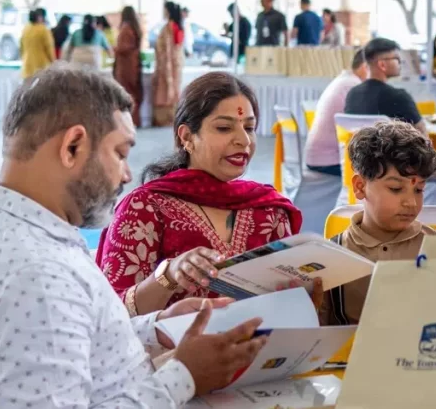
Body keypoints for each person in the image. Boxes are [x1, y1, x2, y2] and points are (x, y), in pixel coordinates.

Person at [0, 66, 269, 407]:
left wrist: (157, 326)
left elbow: (75, 337)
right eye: (120, 154)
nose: (127, 174)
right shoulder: (34, 274)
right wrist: (184, 376)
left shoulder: (6, 227)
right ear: (73, 146)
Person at [97, 72, 302, 315]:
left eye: (249, 127)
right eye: (224, 128)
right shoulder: (145, 208)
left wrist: (305, 299)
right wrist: (168, 276)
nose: (244, 140)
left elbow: (288, 304)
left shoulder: (269, 210)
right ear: (187, 137)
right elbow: (111, 314)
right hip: (172, 341)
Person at [321, 121, 436, 325]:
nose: (411, 202)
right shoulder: (331, 257)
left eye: (419, 190)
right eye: (396, 189)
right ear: (360, 187)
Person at [345, 38, 436, 202]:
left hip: (366, 165)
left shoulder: (352, 94)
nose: (400, 64)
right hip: (404, 166)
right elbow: (424, 143)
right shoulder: (398, 97)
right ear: (382, 64)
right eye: (397, 59)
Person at [305, 50, 368, 176]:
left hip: (319, 158)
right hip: (329, 161)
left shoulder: (345, 80)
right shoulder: (353, 86)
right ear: (365, 67)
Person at [153, 1, 186, 127]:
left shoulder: (168, 27)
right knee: (175, 89)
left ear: (168, 11)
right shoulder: (179, 26)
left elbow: (166, 49)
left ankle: (166, 119)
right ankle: (174, 117)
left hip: (168, 64)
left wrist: (164, 65)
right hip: (177, 63)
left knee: (166, 90)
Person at [114, 6, 144, 128]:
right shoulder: (135, 28)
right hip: (134, 63)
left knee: (127, 93)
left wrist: (115, 49)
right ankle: (135, 120)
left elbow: (123, 47)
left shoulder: (125, 28)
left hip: (125, 66)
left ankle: (130, 121)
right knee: (134, 93)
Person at [19, 8, 55, 79]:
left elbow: (21, 47)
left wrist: (23, 58)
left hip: (27, 66)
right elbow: (49, 48)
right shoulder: (43, 30)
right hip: (40, 66)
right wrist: (53, 62)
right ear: (39, 17)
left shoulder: (25, 29)